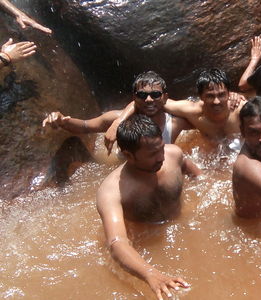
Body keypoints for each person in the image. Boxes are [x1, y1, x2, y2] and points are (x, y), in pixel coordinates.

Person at [96, 114, 200, 300]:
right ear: (128, 154)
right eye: (152, 154)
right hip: (149, 244)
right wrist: (149, 273)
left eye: (161, 148)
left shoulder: (173, 154)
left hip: (183, 228)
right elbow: (116, 242)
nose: (161, 157)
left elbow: (199, 177)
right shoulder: (112, 192)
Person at [105, 68, 246, 151]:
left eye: (222, 95)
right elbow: (146, 101)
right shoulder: (191, 111)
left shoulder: (241, 109)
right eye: (210, 96)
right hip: (212, 159)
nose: (216, 101)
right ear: (201, 97)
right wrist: (118, 122)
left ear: (229, 93)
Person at [43, 71, 191, 147]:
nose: (149, 100)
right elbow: (85, 126)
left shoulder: (176, 123)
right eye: (142, 95)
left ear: (165, 97)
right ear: (134, 97)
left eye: (155, 94)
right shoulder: (116, 118)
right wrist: (62, 121)